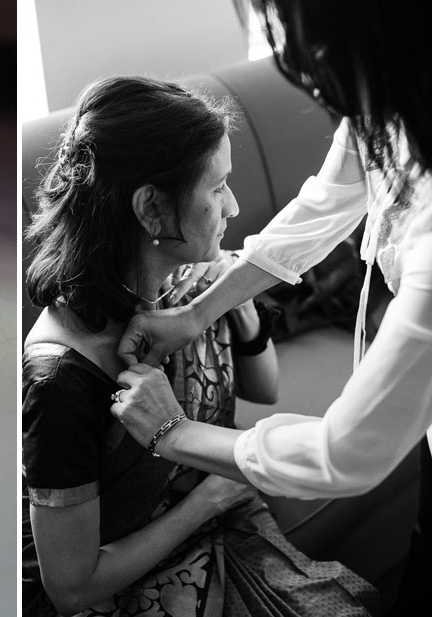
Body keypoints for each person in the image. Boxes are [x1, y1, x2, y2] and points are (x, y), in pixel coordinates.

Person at [112, 0, 432, 612]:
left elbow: (345, 452)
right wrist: (196, 314)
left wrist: (172, 434)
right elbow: (325, 206)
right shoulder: (395, 105)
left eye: (306, 42)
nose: (293, 62)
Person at [22, 75, 377, 616]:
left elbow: (264, 386)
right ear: (151, 210)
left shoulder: (184, 284)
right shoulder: (61, 377)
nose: (233, 208)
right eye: (216, 188)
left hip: (217, 509)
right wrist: (206, 498)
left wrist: (233, 301)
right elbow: (71, 589)